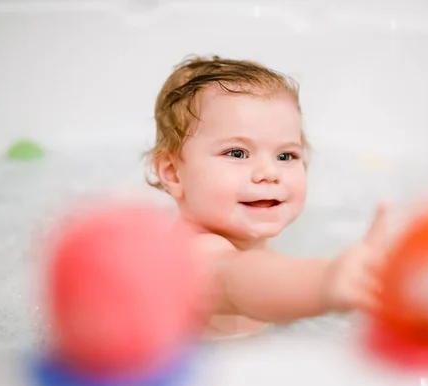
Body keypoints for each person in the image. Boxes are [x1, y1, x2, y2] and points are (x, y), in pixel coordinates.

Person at [145, 55, 387, 338]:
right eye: (237, 153)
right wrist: (324, 281)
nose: (269, 173)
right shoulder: (195, 254)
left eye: (286, 155)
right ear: (173, 173)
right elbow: (236, 280)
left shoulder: (248, 242)